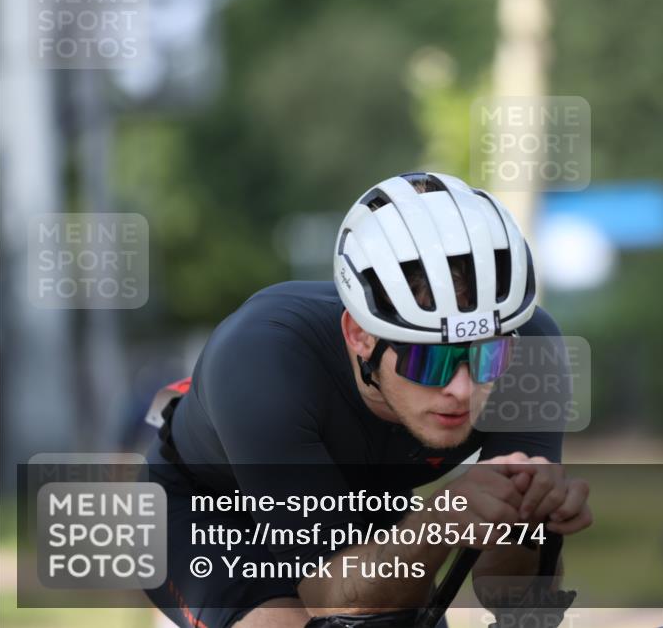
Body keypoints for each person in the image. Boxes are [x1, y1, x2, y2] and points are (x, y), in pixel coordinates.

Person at [144, 172, 592, 628]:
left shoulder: (532, 349)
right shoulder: (261, 356)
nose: (461, 389)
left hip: (359, 505)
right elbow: (331, 601)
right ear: (359, 335)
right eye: (428, 361)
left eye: (487, 356)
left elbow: (506, 595)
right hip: (208, 513)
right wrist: (445, 516)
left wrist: (532, 524)